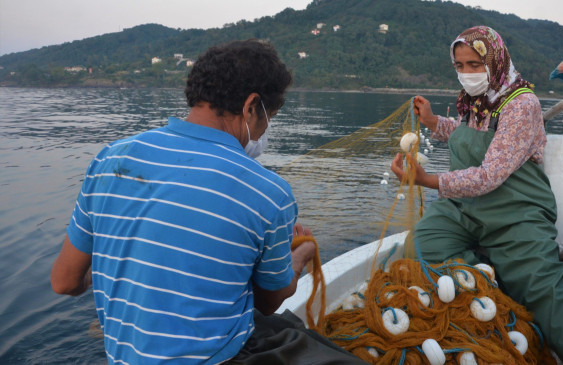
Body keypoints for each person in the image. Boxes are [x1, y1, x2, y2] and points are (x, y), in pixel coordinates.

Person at [51, 39, 366, 364]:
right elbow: (269, 302)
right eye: (268, 117)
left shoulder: (109, 159)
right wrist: (301, 254)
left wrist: (116, 268)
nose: (264, 131)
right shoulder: (269, 192)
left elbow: (64, 282)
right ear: (251, 106)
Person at [391, 26, 563, 365]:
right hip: (465, 209)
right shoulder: (472, 102)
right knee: (418, 248)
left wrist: (426, 180)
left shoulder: (521, 105)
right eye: (459, 66)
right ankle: (485, 284)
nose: (466, 73)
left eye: (474, 64)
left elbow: (489, 174)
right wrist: (435, 121)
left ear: (495, 59)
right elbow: (465, 134)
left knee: (543, 288)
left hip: (515, 213)